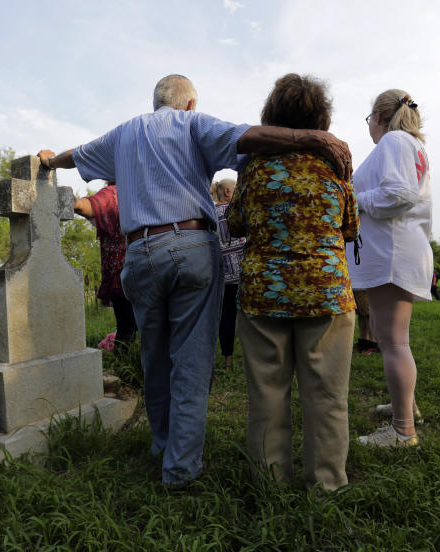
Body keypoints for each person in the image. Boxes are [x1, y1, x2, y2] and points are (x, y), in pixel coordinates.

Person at [37, 74, 352, 488]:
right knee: (191, 360)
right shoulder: (193, 123)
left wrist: (48, 160)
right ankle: (181, 470)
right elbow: (251, 136)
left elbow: (75, 156)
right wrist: (314, 139)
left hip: (138, 254)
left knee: (155, 357)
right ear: (189, 104)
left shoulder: (124, 133)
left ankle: (162, 445)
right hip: (190, 246)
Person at [227, 73, 359, 490]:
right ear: (321, 117)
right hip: (327, 294)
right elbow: (350, 227)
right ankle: (327, 487)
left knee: (267, 396)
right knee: (329, 399)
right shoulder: (334, 165)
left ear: (271, 115)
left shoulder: (253, 169)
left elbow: (234, 223)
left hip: (264, 295)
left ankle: (269, 486)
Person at [347, 89, 432, 448]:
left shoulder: (394, 141)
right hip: (398, 247)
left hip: (394, 250)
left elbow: (399, 194)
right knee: (390, 338)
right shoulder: (408, 144)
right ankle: (407, 409)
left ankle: (402, 431)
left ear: (378, 118)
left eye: (369, 119)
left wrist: (352, 200)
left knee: (394, 341)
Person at [73, 181, 136, 350]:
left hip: (121, 273)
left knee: (127, 329)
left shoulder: (113, 193)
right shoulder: (138, 190)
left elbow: (83, 207)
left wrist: (73, 201)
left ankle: (127, 371)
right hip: (144, 268)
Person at [211, 178, 245, 370]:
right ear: (227, 191)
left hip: (222, 274)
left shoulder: (209, 213)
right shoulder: (236, 210)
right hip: (242, 271)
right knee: (248, 315)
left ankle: (228, 359)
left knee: (226, 315)